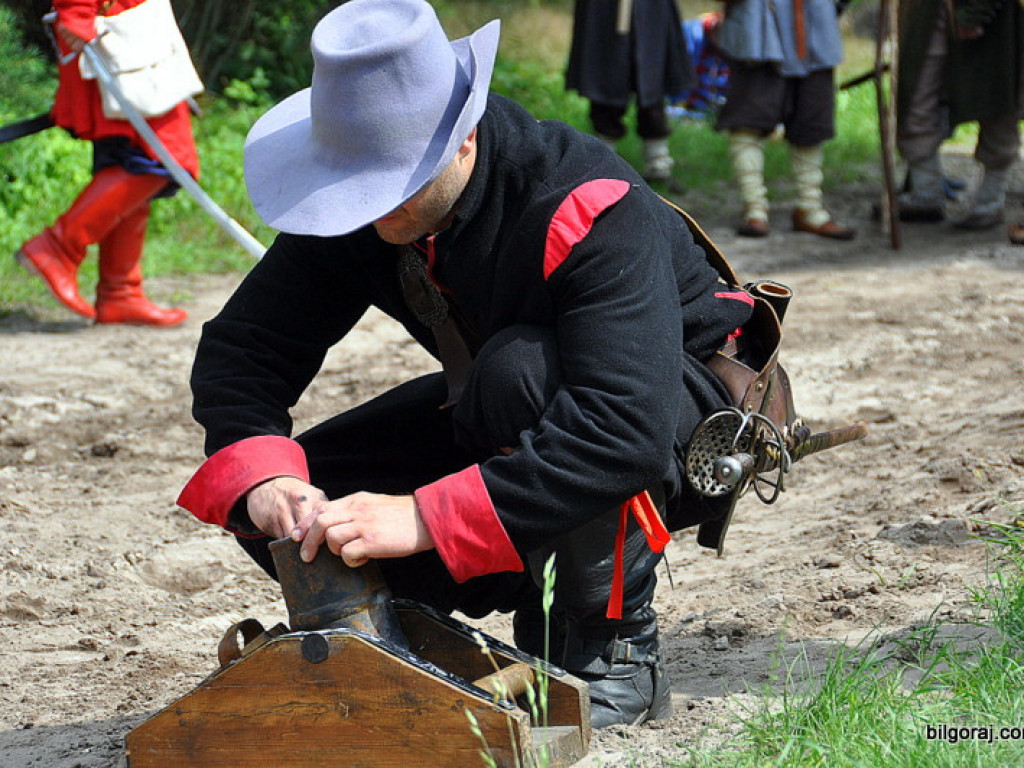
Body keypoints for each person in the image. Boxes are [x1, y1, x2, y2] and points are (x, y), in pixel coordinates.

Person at [176, 0, 754, 729]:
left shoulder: (588, 200)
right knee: (294, 504)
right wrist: (269, 478)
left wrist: (423, 517)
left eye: (393, 182)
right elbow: (246, 348)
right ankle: (408, 645)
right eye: (360, 188)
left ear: (464, 140)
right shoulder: (362, 208)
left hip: (678, 420)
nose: (374, 210)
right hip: (509, 411)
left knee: (519, 373)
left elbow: (624, 430)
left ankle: (614, 658)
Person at [14, 0, 197, 326]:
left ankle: (121, 293)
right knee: (163, 160)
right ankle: (56, 248)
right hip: (117, 46)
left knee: (132, 163)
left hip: (137, 43)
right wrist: (78, 11)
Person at [713, 0, 856, 240]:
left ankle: (810, 210)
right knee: (749, 120)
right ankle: (754, 209)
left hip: (816, 22)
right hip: (757, 25)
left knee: (811, 121)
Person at [895, 0, 1023, 231]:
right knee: (917, 94)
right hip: (928, 9)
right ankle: (925, 192)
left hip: (996, 17)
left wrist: (976, 11)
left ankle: (989, 201)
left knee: (997, 103)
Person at [565, 0, 694, 184]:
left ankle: (657, 160)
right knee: (606, 77)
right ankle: (602, 162)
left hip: (652, 10)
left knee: (652, 80)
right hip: (604, 11)